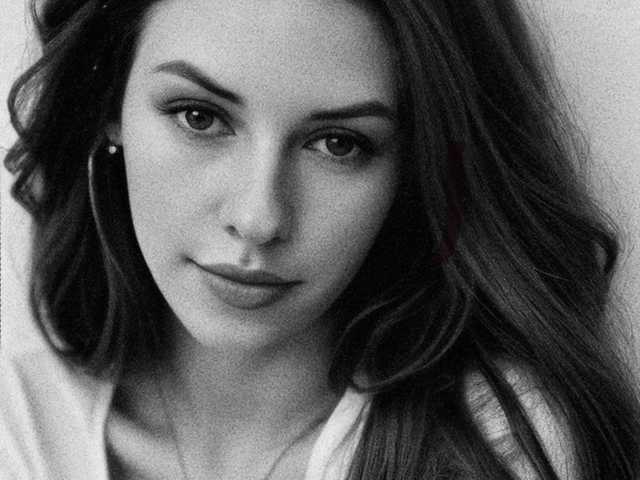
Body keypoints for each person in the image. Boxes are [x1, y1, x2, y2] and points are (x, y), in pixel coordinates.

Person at [1, 0, 639, 478]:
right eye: (200, 117)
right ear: (108, 105)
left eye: (339, 144)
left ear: (414, 169)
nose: (259, 218)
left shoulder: (496, 447)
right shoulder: (16, 428)